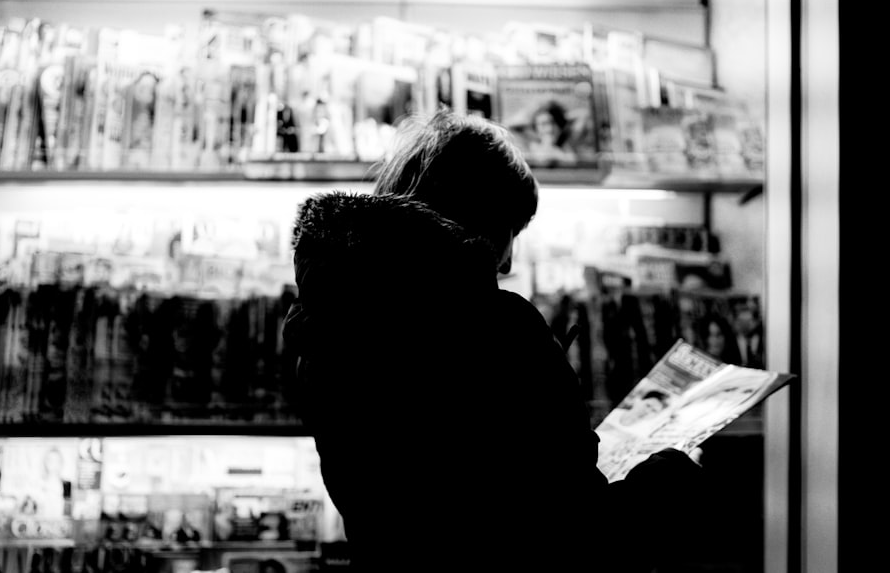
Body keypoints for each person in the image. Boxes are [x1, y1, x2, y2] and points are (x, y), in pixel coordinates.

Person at [281, 110, 703, 572]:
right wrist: (671, 476)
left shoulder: (328, 324)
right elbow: (576, 536)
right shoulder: (499, 330)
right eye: (510, 232)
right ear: (479, 224)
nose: (506, 263)